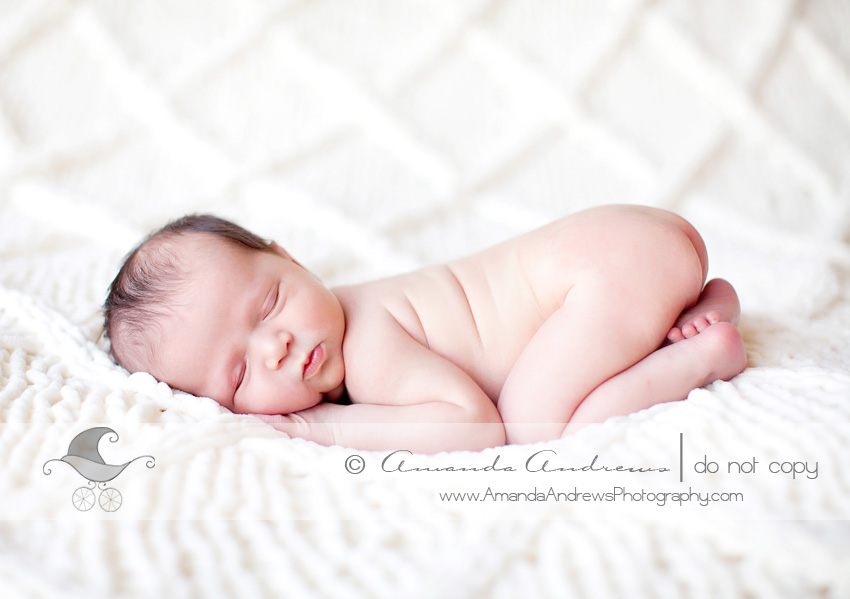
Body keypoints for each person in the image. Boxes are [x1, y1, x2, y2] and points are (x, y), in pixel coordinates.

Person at [103, 206, 746, 454]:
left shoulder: (368, 342)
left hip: (608, 267)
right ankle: (694, 303)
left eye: (270, 303)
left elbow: (473, 425)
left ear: (290, 258)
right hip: (641, 241)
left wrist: (316, 426)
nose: (278, 345)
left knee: (532, 421)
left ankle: (705, 355)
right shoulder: (348, 312)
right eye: (240, 374)